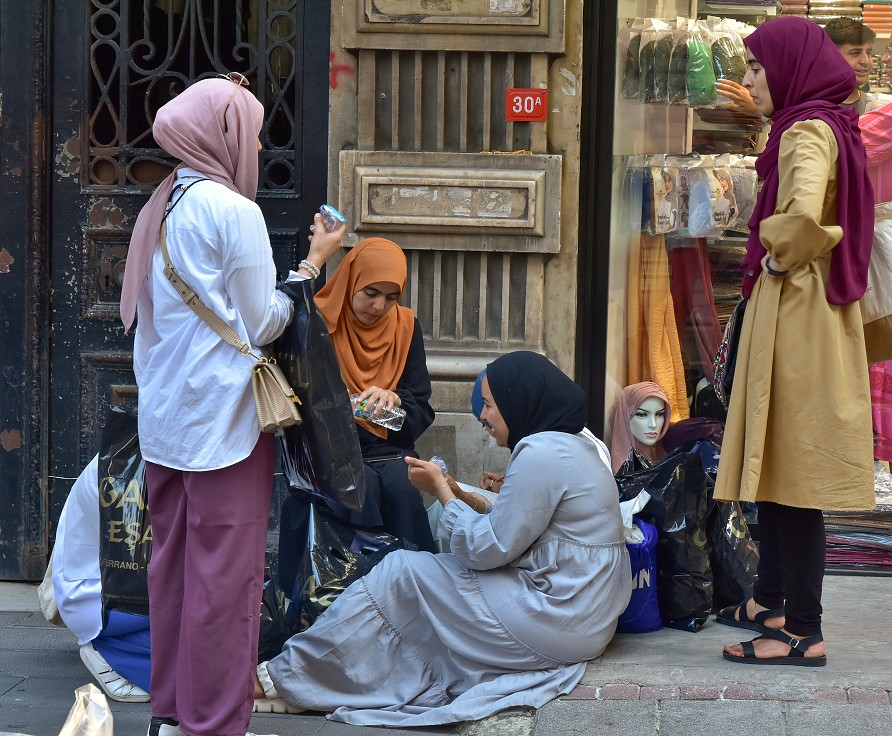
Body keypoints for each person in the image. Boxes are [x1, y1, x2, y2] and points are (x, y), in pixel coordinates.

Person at [119, 73, 345, 736]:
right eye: (250, 130)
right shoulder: (232, 211)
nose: (257, 143)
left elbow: (151, 322)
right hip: (225, 423)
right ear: (222, 134)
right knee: (224, 581)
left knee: (173, 573)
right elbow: (263, 320)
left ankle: (171, 712)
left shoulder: (162, 203)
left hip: (166, 419)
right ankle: (213, 723)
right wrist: (310, 269)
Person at [252, 350, 631, 726]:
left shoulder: (540, 451)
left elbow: (486, 549)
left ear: (519, 400)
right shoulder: (576, 444)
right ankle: (316, 680)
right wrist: (461, 494)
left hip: (559, 616)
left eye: (489, 405)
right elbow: (525, 524)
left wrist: (442, 491)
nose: (482, 416)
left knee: (401, 573)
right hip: (585, 617)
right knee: (424, 578)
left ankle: (281, 679)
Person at [713, 17, 875, 667]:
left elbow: (804, 217)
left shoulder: (805, 130)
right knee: (780, 468)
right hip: (810, 316)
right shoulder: (821, 122)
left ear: (787, 68)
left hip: (797, 318)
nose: (750, 80)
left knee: (794, 476)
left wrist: (777, 259)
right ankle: (772, 602)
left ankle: (803, 631)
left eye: (757, 67)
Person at [296, 237, 438, 553]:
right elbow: (296, 396)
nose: (378, 306)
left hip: (387, 449)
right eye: (370, 293)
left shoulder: (405, 326)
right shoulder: (316, 322)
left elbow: (421, 405)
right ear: (351, 281)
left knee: (402, 490)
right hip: (329, 449)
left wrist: (395, 399)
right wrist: (336, 403)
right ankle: (352, 582)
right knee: (359, 491)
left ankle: (410, 579)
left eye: (391, 297)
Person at [50, 454, 151, 703]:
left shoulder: (118, 453)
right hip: (105, 601)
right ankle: (114, 654)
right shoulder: (160, 461)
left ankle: (125, 650)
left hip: (101, 595)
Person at [823, 17, 892, 114]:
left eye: (868, 53)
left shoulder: (878, 107)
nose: (865, 61)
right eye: (855, 53)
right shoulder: (809, 108)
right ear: (830, 57)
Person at [609, 382, 671, 473]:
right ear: (626, 416)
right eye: (641, 415)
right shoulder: (624, 471)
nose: (653, 424)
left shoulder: (666, 454)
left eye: (660, 414)